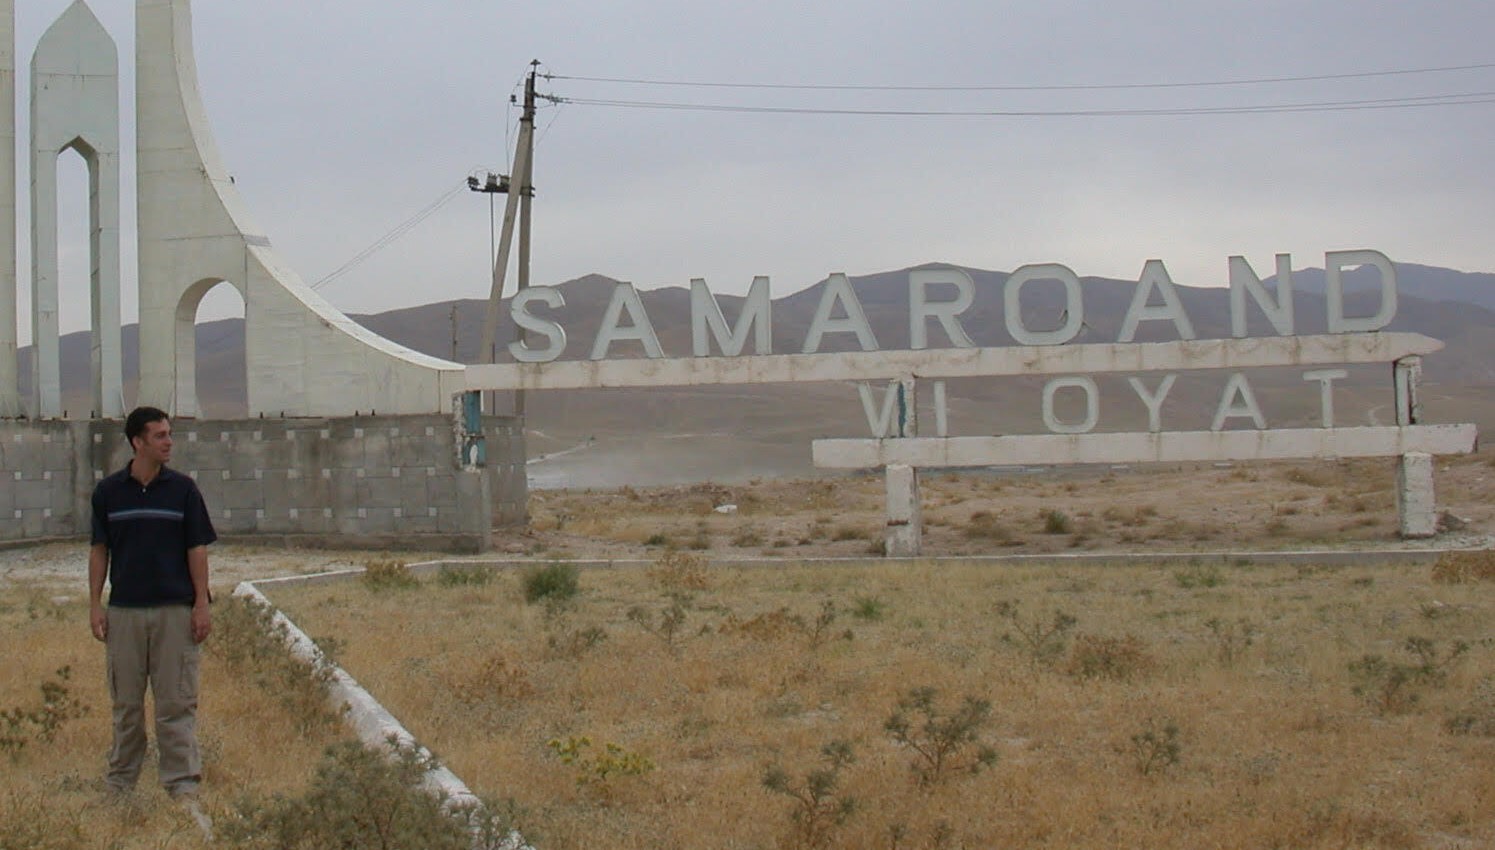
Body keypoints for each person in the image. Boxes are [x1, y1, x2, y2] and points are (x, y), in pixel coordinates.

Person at [88, 406, 216, 799]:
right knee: (126, 706)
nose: (168, 442)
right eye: (159, 436)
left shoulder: (183, 490)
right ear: (137, 442)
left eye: (169, 434)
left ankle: (182, 788)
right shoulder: (108, 493)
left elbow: (197, 550)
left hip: (173, 613)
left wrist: (201, 604)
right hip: (124, 614)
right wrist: (96, 604)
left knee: (175, 704)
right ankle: (120, 786)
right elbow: (99, 550)